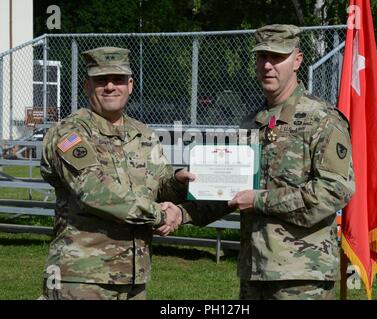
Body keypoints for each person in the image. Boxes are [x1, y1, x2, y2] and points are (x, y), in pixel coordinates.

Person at [164, 24, 355, 300]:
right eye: (262, 56)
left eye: (277, 57)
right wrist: (182, 213)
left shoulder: (322, 120)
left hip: (301, 278)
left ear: (297, 60)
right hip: (254, 272)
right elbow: (230, 191)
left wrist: (260, 200)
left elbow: (334, 190)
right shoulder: (253, 121)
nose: (268, 65)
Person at [39, 47, 193, 300]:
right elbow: (94, 190)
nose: (110, 86)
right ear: (87, 86)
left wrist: (177, 180)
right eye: (101, 80)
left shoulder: (143, 133)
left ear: (130, 85)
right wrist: (160, 215)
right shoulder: (70, 133)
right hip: (82, 278)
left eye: (118, 79)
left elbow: (159, 182)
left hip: (133, 276)